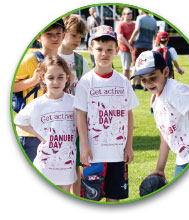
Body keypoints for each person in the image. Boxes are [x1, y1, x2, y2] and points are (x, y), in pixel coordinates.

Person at [74, 25, 139, 202]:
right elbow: (81, 115)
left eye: (110, 49)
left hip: (118, 153)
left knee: (114, 198)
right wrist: (84, 145)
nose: (104, 54)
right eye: (100, 49)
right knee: (90, 199)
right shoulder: (86, 82)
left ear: (117, 50)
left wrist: (129, 145)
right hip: (94, 153)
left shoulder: (123, 82)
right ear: (91, 50)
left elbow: (129, 115)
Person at [130, 50, 189, 179]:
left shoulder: (174, 90)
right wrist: (160, 169)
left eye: (153, 77)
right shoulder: (156, 103)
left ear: (165, 72)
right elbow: (165, 138)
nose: (148, 83)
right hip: (183, 157)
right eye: (143, 80)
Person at [14, 55, 77, 192]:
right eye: (50, 78)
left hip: (66, 164)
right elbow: (18, 120)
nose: (56, 82)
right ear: (42, 78)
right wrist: (37, 133)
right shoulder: (38, 104)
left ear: (67, 77)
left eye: (60, 77)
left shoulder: (73, 102)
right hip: (45, 164)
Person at [13, 19, 65, 162]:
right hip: (30, 131)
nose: (54, 38)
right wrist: (34, 80)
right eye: (49, 34)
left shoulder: (61, 61)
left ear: (64, 35)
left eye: (58, 33)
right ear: (39, 37)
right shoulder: (31, 60)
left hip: (53, 130)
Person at [58, 14, 90, 197]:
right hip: (58, 117)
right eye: (74, 35)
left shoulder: (81, 61)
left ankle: (77, 197)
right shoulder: (54, 57)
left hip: (77, 119)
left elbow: (86, 89)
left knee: (76, 164)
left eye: (80, 36)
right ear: (64, 33)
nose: (78, 40)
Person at [149, 31, 184, 114]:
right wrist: (179, 70)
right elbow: (175, 62)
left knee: (155, 91)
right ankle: (168, 108)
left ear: (158, 40)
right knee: (168, 90)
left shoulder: (154, 49)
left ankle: (152, 109)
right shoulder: (171, 49)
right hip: (167, 74)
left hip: (156, 74)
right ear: (168, 39)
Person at [128, 10, 157, 90]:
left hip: (139, 45)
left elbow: (137, 29)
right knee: (145, 66)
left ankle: (132, 84)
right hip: (148, 45)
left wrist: (131, 39)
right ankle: (143, 85)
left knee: (135, 65)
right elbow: (155, 35)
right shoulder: (154, 20)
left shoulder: (140, 18)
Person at [117, 7, 135, 79]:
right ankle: (125, 84)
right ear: (124, 15)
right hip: (125, 49)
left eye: (131, 13)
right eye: (128, 13)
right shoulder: (121, 25)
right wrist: (129, 46)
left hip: (134, 49)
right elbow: (120, 37)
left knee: (135, 67)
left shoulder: (134, 24)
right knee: (126, 68)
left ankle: (135, 84)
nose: (130, 15)